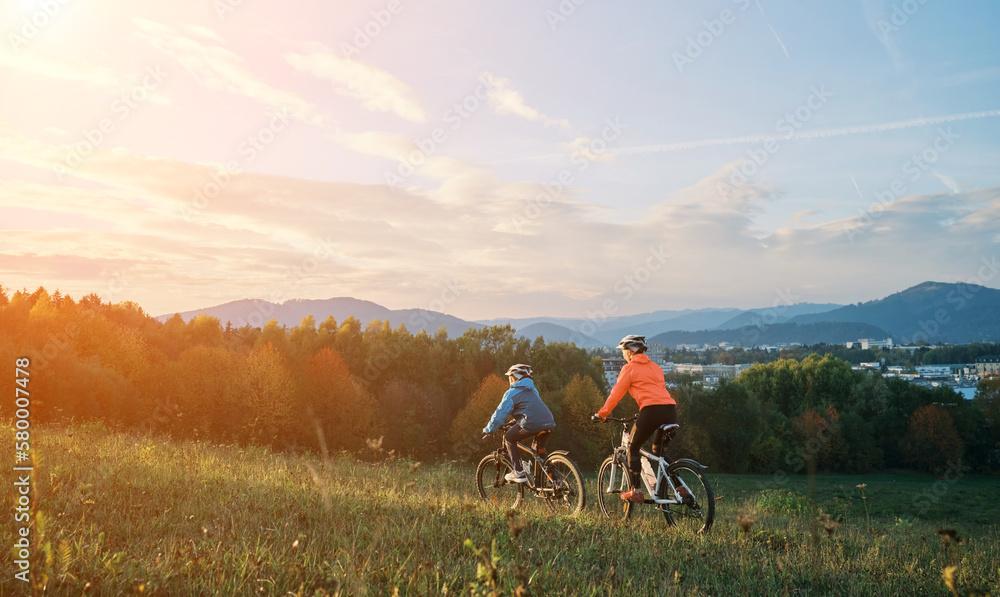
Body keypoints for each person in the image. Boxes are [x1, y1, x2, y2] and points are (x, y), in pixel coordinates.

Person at [593, 335, 677, 502]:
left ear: (630, 351)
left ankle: (635, 490)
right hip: (670, 410)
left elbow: (616, 394)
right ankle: (680, 487)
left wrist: (602, 414)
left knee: (633, 447)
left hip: (652, 410)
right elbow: (657, 391)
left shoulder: (629, 368)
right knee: (658, 452)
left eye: (624, 351)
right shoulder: (655, 367)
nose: (623, 354)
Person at [482, 364, 556, 483]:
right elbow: (531, 409)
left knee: (509, 437)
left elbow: (499, 415)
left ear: (515, 378)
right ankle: (555, 482)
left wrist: (489, 429)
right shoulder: (533, 390)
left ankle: (518, 471)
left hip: (532, 423)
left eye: (510, 377)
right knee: (538, 450)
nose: (509, 380)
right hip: (549, 421)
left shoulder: (511, 393)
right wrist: (515, 421)